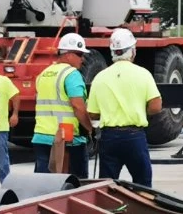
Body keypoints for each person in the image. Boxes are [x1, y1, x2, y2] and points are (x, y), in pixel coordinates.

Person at [86, 28, 162, 186]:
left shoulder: (100, 77)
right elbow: (156, 106)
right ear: (133, 51)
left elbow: (92, 114)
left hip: (109, 138)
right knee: (143, 184)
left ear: (113, 52)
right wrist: (139, 111)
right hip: (135, 137)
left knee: (107, 186)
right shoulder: (143, 74)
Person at [33, 33, 94, 176]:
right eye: (79, 54)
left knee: (44, 187)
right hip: (66, 139)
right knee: (74, 186)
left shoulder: (44, 74)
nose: (83, 59)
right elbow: (78, 106)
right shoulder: (71, 74)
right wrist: (90, 129)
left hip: (42, 136)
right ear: (67, 54)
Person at [0, 68, 21, 182]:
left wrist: (15, 114)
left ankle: (6, 183)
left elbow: (16, 97)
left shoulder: (4, 81)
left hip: (0, 127)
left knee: (2, 159)